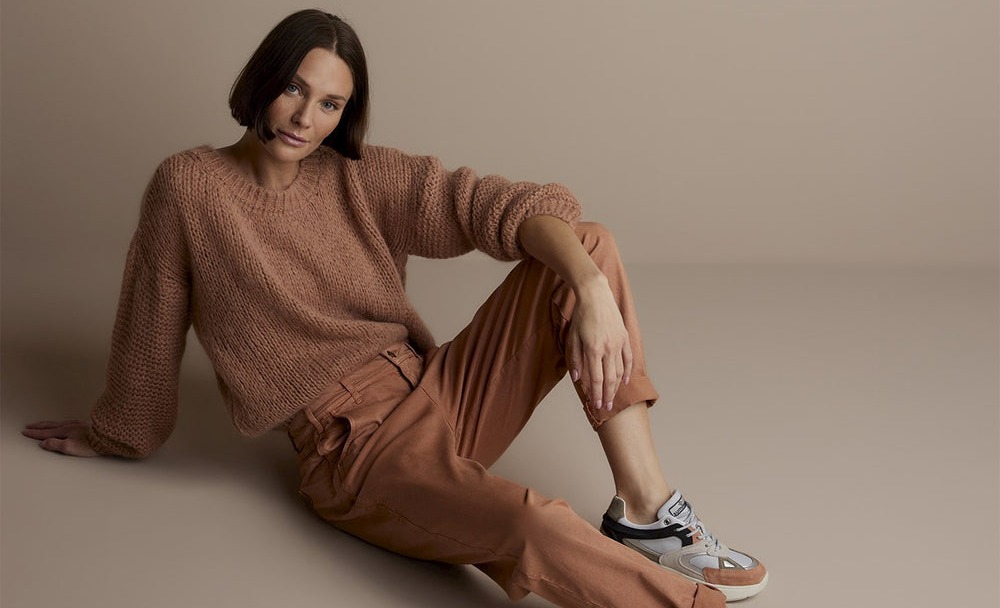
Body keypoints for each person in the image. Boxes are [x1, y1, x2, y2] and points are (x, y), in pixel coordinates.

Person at [22, 9, 766, 608]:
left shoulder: (358, 175)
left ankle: (645, 512)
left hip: (440, 389)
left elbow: (498, 205)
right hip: (356, 450)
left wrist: (592, 288)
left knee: (587, 243)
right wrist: (121, 430)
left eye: (330, 103)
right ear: (261, 81)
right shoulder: (189, 187)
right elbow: (151, 318)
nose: (304, 117)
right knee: (530, 522)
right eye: (293, 89)